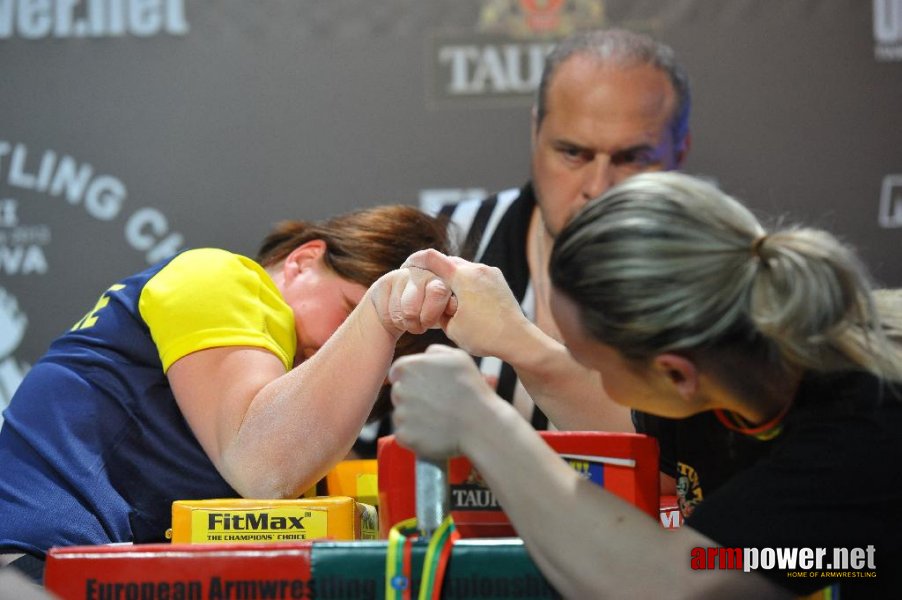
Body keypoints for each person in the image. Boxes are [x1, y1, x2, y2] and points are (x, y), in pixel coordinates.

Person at [388, 172, 902, 598]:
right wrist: (514, 337)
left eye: (601, 365)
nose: (602, 385)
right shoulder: (732, 371)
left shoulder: (867, 425)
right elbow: (630, 428)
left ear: (676, 373)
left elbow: (675, 586)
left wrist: (484, 426)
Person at [0, 205, 452, 579]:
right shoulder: (216, 275)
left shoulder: (302, 414)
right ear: (302, 260)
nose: (360, 358)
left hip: (98, 572)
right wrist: (378, 313)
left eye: (381, 358)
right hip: (33, 566)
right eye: (349, 311)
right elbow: (264, 468)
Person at [355, 28, 692, 456]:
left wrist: (516, 343)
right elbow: (354, 458)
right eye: (573, 153)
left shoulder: (723, 279)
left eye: (633, 159)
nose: (598, 186)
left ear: (680, 153)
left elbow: (690, 465)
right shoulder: (444, 246)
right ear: (535, 132)